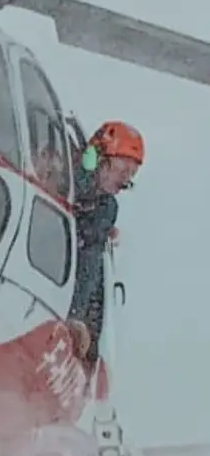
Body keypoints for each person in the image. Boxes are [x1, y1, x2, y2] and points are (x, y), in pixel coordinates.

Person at [68, 119, 143, 371]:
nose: (125, 180)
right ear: (96, 158)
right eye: (123, 170)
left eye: (132, 175)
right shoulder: (63, 177)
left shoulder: (104, 207)